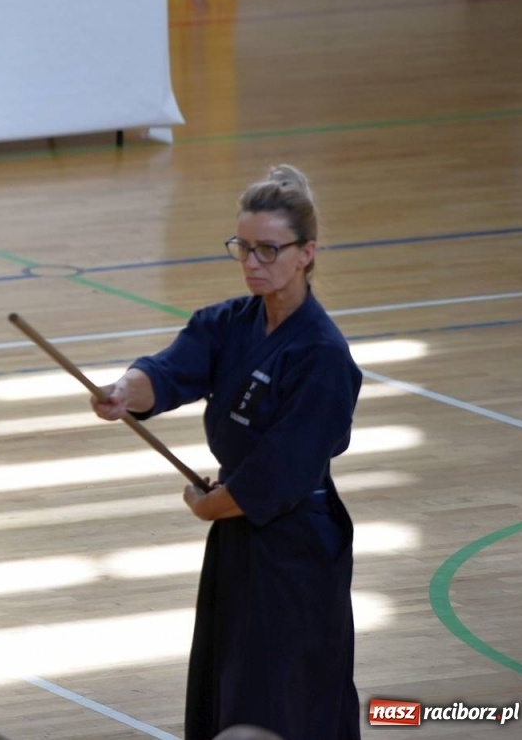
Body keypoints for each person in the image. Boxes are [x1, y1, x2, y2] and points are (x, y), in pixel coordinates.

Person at [91, 164, 361, 740]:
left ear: (306, 253)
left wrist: (208, 505)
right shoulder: (231, 323)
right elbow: (170, 369)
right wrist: (123, 392)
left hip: (296, 549)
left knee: (275, 706)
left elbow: (282, 471)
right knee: (229, 692)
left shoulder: (323, 356)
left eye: (269, 250)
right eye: (244, 248)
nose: (253, 263)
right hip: (238, 539)